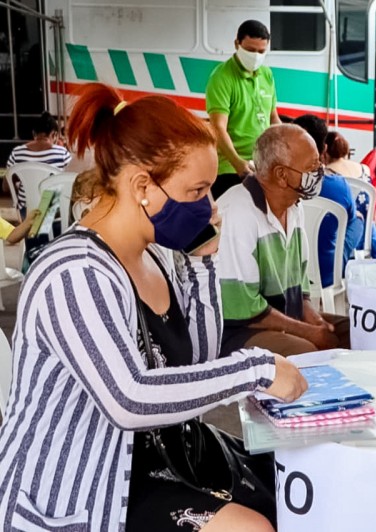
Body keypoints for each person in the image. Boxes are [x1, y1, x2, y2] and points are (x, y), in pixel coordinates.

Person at [0, 83, 307, 530]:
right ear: (142, 185)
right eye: (196, 192)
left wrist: (204, 262)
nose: (208, 207)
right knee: (250, 527)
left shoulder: (157, 255)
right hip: (82, 490)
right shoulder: (73, 272)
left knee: (288, 488)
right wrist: (257, 369)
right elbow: (130, 397)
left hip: (158, 455)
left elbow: (196, 362)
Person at [217, 124, 350, 357]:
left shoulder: (294, 206)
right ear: (281, 175)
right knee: (306, 352)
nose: (320, 172)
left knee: (355, 333)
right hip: (239, 331)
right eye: (312, 167)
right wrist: (309, 333)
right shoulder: (237, 213)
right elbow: (245, 309)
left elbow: (301, 285)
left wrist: (315, 321)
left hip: (284, 317)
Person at [206, 19, 281, 199]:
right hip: (231, 168)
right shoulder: (222, 77)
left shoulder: (266, 74)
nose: (256, 56)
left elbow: (273, 119)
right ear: (237, 44)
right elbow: (218, 128)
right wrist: (237, 163)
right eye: (250, 50)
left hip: (263, 165)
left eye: (261, 51)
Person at [293, 115, 361, 288]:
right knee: (357, 220)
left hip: (288, 271)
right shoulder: (339, 185)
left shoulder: (278, 185)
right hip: (328, 274)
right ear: (324, 148)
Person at [324, 131, 376, 260]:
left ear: (325, 151)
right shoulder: (364, 169)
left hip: (340, 235)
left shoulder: (328, 173)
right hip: (366, 234)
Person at [6, 111, 72, 211]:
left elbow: (6, 186)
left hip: (27, 214)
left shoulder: (17, 152)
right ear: (54, 134)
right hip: (55, 215)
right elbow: (71, 181)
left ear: (34, 133)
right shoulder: (62, 153)